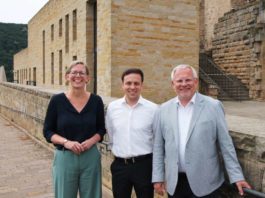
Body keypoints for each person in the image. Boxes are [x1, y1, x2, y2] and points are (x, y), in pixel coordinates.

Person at [152, 64, 251, 198]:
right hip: (175, 184)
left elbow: (225, 144)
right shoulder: (163, 110)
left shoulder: (213, 106)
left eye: (188, 80)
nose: (184, 84)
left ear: (196, 81)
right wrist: (158, 177)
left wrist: (237, 176)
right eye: (179, 81)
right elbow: (158, 147)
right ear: (173, 84)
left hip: (207, 183)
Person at [43, 60, 106, 198]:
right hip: (65, 156)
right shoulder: (57, 101)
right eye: (74, 72)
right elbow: (48, 131)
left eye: (82, 73)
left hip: (90, 156)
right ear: (67, 76)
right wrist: (66, 142)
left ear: (88, 78)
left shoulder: (96, 101)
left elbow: (101, 130)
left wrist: (91, 141)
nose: (78, 76)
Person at [106, 68, 158, 198]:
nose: (132, 87)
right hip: (120, 166)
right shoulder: (113, 108)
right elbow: (111, 134)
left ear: (142, 85)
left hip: (144, 166)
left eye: (136, 83)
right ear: (122, 85)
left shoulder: (153, 109)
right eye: (128, 83)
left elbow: (158, 141)